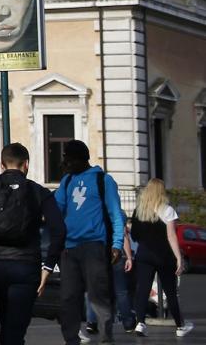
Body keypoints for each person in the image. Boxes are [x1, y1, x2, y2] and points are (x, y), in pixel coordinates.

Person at [0, 143, 66, 345]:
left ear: (1, 164)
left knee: (6, 320)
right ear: (26, 164)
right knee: (16, 326)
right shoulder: (38, 192)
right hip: (26, 265)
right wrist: (48, 266)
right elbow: (59, 230)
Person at [55, 139, 131, 345]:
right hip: (69, 249)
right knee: (69, 297)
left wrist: (116, 244)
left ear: (82, 159)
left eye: (70, 160)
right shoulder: (67, 181)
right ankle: (70, 338)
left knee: (99, 294)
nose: (67, 164)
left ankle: (106, 335)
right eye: (65, 160)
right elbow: (56, 209)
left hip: (94, 246)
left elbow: (116, 214)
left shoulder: (102, 180)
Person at [129, 178, 193, 337]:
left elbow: (134, 234)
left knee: (142, 290)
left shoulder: (139, 210)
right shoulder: (168, 210)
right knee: (170, 291)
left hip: (144, 254)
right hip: (163, 256)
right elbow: (171, 236)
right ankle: (179, 326)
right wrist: (179, 257)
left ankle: (140, 323)